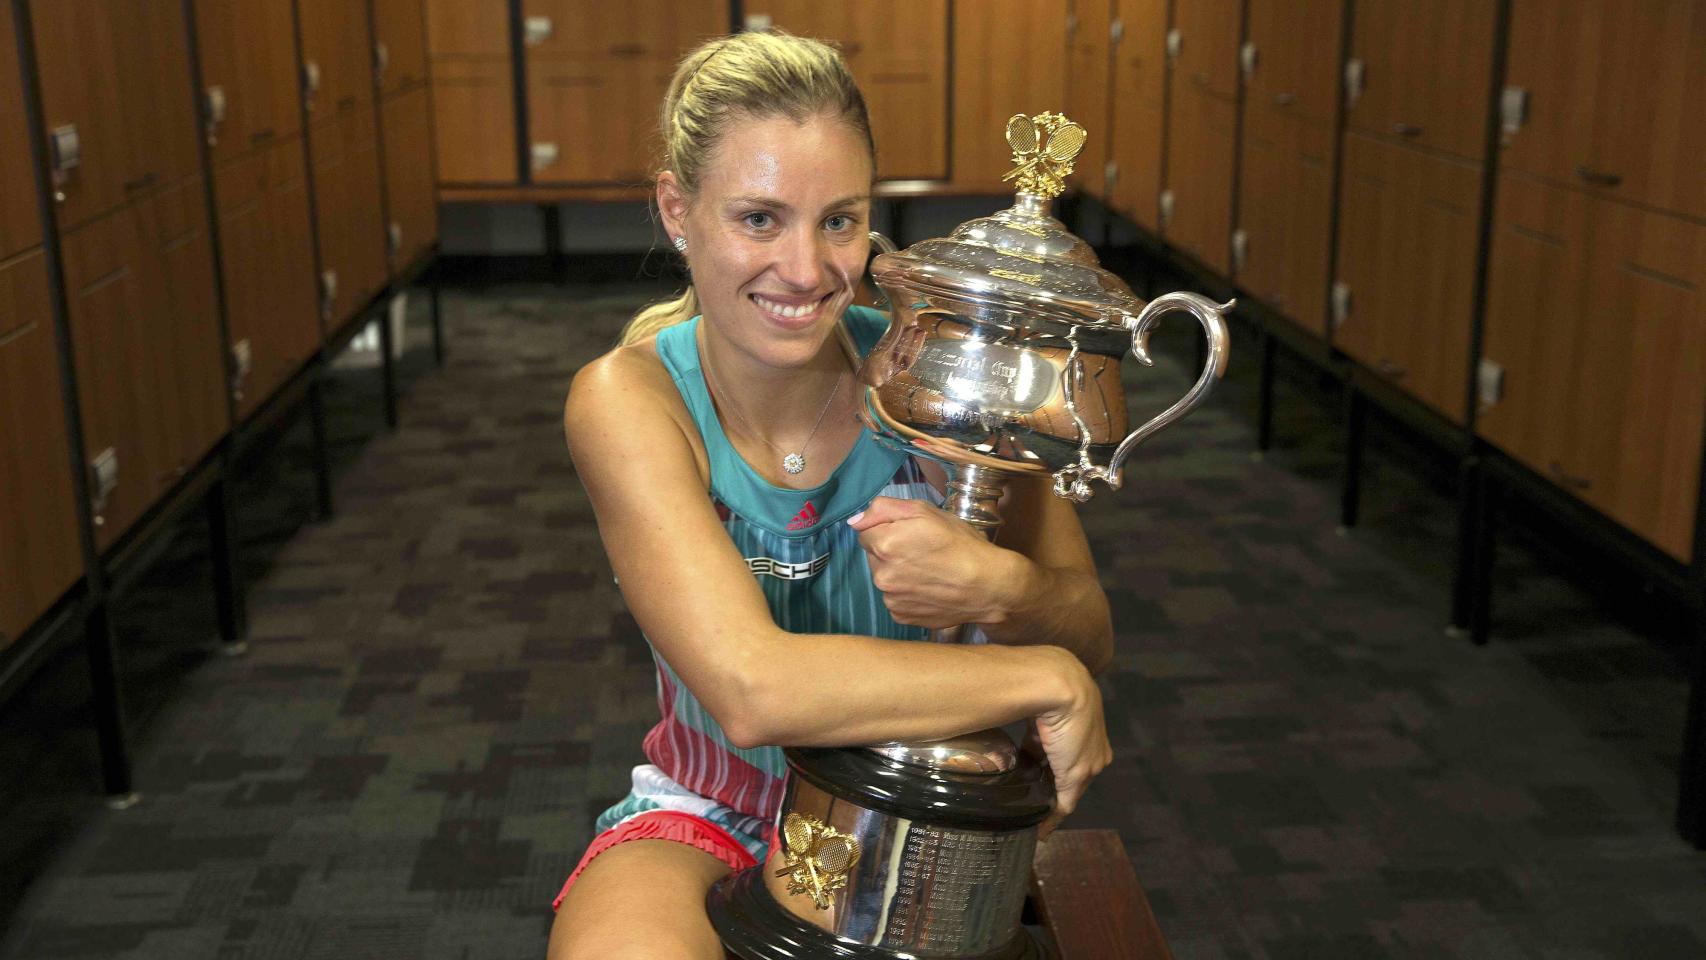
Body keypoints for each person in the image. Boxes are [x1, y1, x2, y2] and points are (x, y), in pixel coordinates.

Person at [549, 29, 1114, 959]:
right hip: (717, 809)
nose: (807, 271)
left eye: (840, 220)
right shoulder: (630, 399)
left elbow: (1092, 628)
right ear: (677, 211)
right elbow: (751, 691)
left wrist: (1007, 595)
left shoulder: (940, 378)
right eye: (760, 219)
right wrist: (1041, 675)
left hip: (928, 823)